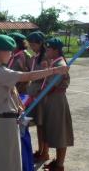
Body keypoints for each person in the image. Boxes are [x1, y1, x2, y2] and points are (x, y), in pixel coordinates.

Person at [0, 34, 68, 171]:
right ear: (0, 52)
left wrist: (19, 106)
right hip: (5, 123)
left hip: (3, 120)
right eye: (9, 51)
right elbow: (27, 76)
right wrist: (54, 70)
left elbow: (11, 89)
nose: (11, 54)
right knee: (8, 163)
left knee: (5, 161)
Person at [42, 38, 74, 171]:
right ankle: (57, 161)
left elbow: (51, 85)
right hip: (52, 100)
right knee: (54, 131)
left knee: (60, 133)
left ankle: (60, 165)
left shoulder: (59, 64)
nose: (46, 51)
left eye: (49, 49)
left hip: (56, 100)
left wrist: (45, 71)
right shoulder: (54, 63)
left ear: (56, 50)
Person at [25, 31, 50, 163]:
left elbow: (46, 78)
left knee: (43, 125)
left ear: (40, 43)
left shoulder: (45, 57)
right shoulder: (37, 56)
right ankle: (40, 150)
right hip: (35, 94)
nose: (31, 47)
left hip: (42, 96)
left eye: (33, 45)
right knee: (39, 125)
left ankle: (45, 152)